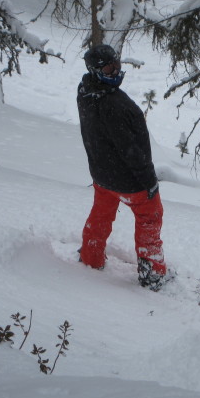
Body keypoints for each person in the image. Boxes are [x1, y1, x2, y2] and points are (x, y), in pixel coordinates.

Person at [76, 44, 166, 290]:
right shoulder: (116, 105)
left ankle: (90, 257)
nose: (115, 72)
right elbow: (132, 151)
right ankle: (153, 274)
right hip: (130, 182)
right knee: (150, 219)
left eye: (117, 65)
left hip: (102, 176)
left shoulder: (85, 90)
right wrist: (149, 182)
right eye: (108, 67)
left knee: (101, 214)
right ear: (95, 70)